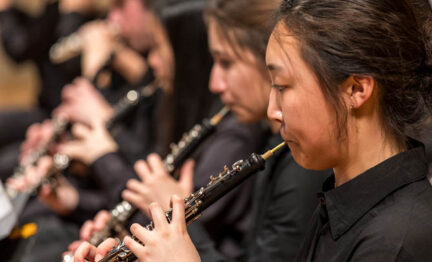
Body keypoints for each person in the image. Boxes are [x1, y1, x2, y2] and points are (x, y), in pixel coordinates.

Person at [75, 0, 432, 261]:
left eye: (282, 86)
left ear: (356, 90)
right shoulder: (342, 196)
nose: (271, 111)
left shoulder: (398, 241)